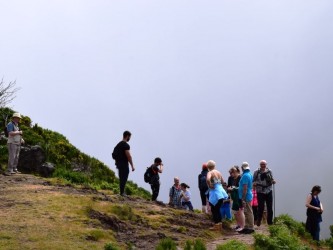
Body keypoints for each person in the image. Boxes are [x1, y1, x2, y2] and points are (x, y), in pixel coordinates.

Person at [206, 160, 228, 231]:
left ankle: (216, 225)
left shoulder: (210, 172)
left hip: (215, 192)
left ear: (208, 167)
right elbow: (223, 182)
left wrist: (210, 185)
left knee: (214, 209)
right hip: (221, 191)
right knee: (217, 209)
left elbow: (208, 179)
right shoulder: (218, 172)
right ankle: (219, 225)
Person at [253, 160, 276, 226]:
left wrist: (273, 181)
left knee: (269, 207)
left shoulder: (269, 171)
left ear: (266, 164)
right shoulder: (256, 172)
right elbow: (253, 180)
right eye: (261, 164)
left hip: (268, 190)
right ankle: (259, 220)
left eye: (264, 164)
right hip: (260, 191)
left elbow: (271, 179)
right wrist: (254, 184)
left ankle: (270, 222)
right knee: (261, 207)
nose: (263, 165)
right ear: (260, 165)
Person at [112, 131, 135, 196]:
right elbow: (129, 156)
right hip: (124, 164)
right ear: (127, 136)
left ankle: (122, 192)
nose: (129, 138)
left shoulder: (118, 145)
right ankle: (122, 193)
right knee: (124, 178)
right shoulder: (125, 145)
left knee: (121, 178)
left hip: (118, 164)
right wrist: (132, 166)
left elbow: (114, 155)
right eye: (129, 137)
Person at [238, 162, 254, 234]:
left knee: (248, 211)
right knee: (246, 212)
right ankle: (247, 226)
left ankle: (250, 227)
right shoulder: (250, 174)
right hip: (249, 194)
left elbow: (245, 188)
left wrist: (243, 198)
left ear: (242, 168)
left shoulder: (245, 176)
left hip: (246, 196)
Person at [228, 166, 244, 231]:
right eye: (231, 173)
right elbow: (228, 186)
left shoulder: (240, 178)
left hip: (239, 196)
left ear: (237, 171)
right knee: (235, 211)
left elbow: (241, 187)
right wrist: (229, 189)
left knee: (240, 211)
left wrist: (234, 188)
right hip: (233, 196)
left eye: (234, 172)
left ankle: (242, 226)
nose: (232, 174)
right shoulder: (230, 178)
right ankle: (238, 225)